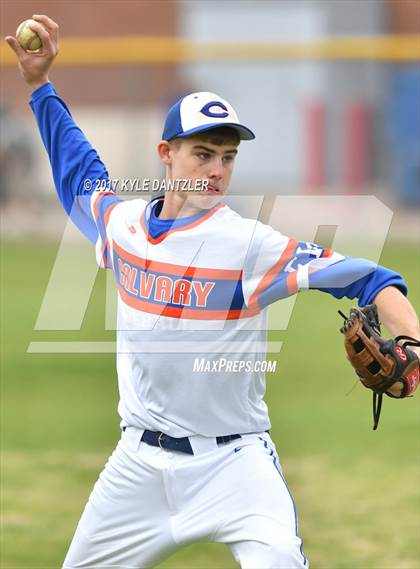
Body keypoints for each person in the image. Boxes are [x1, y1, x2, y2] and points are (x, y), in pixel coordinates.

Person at [6, 15, 420, 569]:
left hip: (235, 464)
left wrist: (412, 341)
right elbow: (77, 167)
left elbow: (372, 278)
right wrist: (39, 86)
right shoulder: (122, 226)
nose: (217, 169)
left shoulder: (249, 246)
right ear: (166, 153)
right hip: (137, 466)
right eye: (203, 153)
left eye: (227, 156)